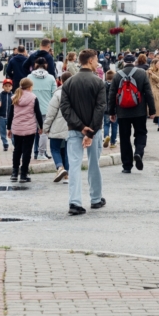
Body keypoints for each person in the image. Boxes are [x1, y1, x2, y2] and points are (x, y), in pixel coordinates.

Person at [60, 50, 107, 214]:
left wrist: (80, 127)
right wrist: (90, 131)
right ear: (91, 60)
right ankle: (95, 198)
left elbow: (65, 108)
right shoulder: (98, 82)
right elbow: (100, 108)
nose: (97, 64)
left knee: (74, 165)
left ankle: (75, 202)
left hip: (74, 129)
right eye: (96, 61)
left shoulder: (68, 83)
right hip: (94, 130)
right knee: (94, 163)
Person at [107, 54, 156, 174]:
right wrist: (152, 110)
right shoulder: (141, 73)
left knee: (124, 138)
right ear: (134, 62)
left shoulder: (117, 75)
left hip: (122, 112)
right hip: (139, 111)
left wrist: (111, 112)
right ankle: (138, 152)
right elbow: (148, 92)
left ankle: (127, 166)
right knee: (141, 133)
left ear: (123, 62)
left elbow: (112, 95)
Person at [7, 78, 43, 183]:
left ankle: (14, 173)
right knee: (27, 152)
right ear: (30, 87)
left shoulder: (14, 97)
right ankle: (23, 174)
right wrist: (41, 126)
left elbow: (10, 115)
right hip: (30, 128)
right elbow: (38, 113)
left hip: (17, 127)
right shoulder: (33, 98)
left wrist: (9, 128)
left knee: (17, 150)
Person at [43, 71, 72, 183]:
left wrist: (46, 127)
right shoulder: (76, 93)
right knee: (67, 150)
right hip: (71, 126)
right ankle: (67, 175)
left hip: (57, 126)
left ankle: (60, 167)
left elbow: (51, 113)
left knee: (55, 149)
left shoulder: (58, 94)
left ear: (61, 80)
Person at [29, 57, 57, 159]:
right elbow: (54, 94)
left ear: (35, 65)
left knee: (32, 132)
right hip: (46, 108)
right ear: (46, 65)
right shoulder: (51, 78)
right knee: (43, 132)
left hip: (31, 108)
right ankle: (41, 153)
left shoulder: (29, 77)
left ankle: (35, 152)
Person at [102, 71, 118, 149]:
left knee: (106, 124)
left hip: (105, 108)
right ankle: (112, 142)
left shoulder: (103, 85)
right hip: (115, 108)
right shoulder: (116, 85)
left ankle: (106, 137)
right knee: (114, 126)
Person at [0, 79, 13, 152]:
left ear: (11, 87)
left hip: (11, 117)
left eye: (9, 86)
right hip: (1, 116)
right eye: (6, 86)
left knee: (12, 131)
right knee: (2, 131)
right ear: (3, 86)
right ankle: (5, 144)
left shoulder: (13, 96)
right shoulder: (0, 96)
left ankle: (14, 143)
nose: (7, 87)